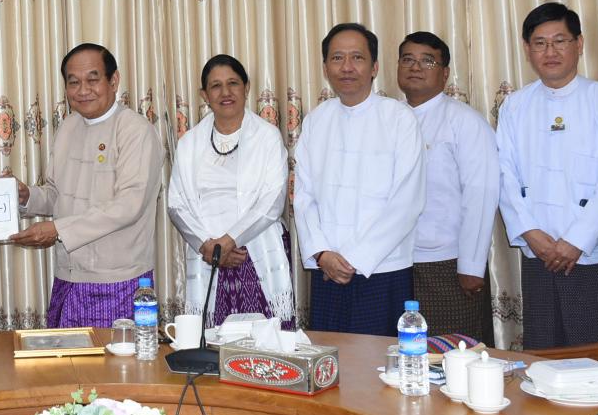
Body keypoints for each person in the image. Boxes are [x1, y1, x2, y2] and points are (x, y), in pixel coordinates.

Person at [498, 3, 598, 359]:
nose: (550, 51)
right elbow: (504, 175)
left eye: (560, 40)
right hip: (539, 256)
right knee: (545, 359)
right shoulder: (515, 105)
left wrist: (577, 241)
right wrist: (531, 234)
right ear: (527, 49)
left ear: (579, 43)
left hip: (592, 255)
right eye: (540, 43)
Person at [11, 43, 165, 328]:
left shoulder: (135, 130)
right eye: (74, 82)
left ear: (113, 80)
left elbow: (128, 205)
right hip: (69, 276)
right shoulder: (68, 127)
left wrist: (58, 230)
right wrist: (26, 196)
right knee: (66, 356)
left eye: (92, 80)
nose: (83, 90)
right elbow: (56, 194)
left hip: (117, 281)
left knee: (115, 358)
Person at [293, 24, 426, 335]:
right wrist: (322, 253)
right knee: (330, 357)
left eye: (357, 57)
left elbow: (407, 202)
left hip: (383, 268)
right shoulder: (316, 120)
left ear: (374, 67)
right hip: (327, 270)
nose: (347, 67)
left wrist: (354, 258)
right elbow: (304, 196)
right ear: (325, 68)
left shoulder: (400, 119)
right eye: (337, 58)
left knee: (378, 360)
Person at [167, 55, 294, 328]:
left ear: (246, 88)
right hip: (207, 254)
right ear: (204, 95)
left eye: (233, 83)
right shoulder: (189, 143)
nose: (225, 92)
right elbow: (176, 204)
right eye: (216, 86)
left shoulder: (267, 136)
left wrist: (228, 242)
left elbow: (272, 201)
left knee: (265, 340)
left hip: (254, 250)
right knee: (212, 340)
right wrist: (208, 245)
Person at [397, 32, 500, 346]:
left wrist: (471, 265)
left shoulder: (464, 121)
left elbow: (481, 193)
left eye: (427, 61)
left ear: (445, 73)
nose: (416, 67)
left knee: (455, 354)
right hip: (395, 261)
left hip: (448, 264)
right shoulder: (389, 118)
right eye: (408, 59)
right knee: (403, 353)